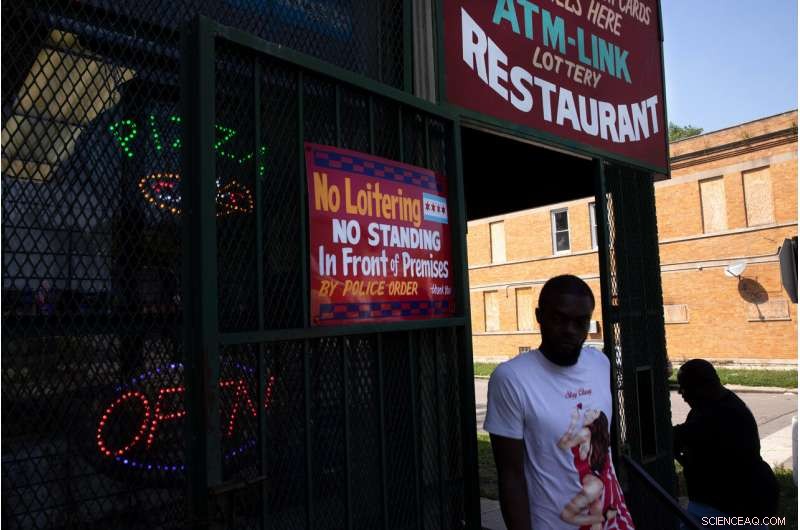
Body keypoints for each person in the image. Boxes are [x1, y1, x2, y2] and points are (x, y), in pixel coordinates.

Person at [484, 274, 635, 530]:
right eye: (559, 318)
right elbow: (510, 476)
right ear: (539, 316)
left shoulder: (599, 364)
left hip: (613, 520)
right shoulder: (511, 378)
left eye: (580, 322)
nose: (570, 330)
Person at [673, 359, 779, 529]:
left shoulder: (724, 414)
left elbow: (680, 435)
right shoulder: (712, 405)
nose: (681, 394)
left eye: (685, 388)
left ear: (704, 387)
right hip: (728, 506)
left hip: (736, 509)